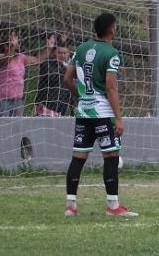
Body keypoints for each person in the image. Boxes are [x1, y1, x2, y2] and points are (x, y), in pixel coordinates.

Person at [63, 13, 137, 217]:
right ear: (112, 29)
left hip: (83, 112)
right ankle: (113, 207)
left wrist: (82, 96)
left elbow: (67, 79)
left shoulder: (80, 49)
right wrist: (119, 118)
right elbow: (111, 87)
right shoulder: (111, 53)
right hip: (103, 113)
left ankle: (70, 206)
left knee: (78, 157)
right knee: (111, 156)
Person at [0, 30, 54, 117]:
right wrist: (12, 45)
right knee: (2, 123)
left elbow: (37, 60)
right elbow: (7, 59)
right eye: (10, 42)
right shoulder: (0, 57)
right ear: (5, 46)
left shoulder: (21, 57)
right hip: (1, 99)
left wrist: (49, 48)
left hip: (17, 100)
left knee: (17, 124)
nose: (16, 42)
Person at [35, 38, 74, 117]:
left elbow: (70, 89)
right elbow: (52, 78)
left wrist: (72, 106)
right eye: (59, 53)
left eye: (65, 53)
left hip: (62, 106)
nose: (62, 55)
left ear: (68, 55)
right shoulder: (47, 63)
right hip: (46, 106)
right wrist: (66, 69)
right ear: (54, 53)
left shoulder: (68, 68)